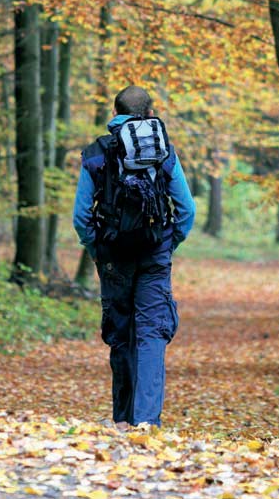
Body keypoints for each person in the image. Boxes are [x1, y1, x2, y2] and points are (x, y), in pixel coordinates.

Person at [73, 86, 196, 429]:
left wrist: (98, 249)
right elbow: (186, 209)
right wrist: (168, 245)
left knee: (121, 332)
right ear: (148, 113)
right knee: (151, 333)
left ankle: (123, 419)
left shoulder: (96, 153)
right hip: (154, 254)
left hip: (113, 256)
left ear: (116, 112)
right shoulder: (162, 149)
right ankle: (146, 421)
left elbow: (81, 217)